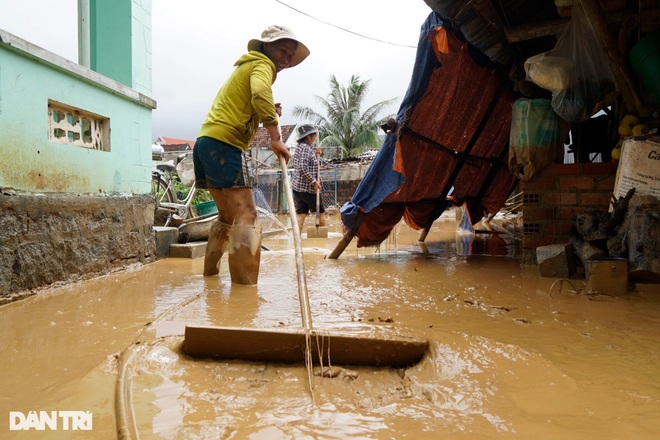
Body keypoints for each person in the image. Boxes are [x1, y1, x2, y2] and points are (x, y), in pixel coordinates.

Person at [193, 25, 310, 284]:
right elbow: (259, 93)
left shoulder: (248, 66)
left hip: (205, 143)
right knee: (247, 216)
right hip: (225, 144)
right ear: (266, 47)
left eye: (290, 56)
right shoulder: (262, 65)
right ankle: (244, 294)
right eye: (282, 50)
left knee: (226, 218)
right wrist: (276, 138)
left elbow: (248, 102)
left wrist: (264, 112)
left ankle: (209, 277)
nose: (286, 59)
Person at [292, 124, 326, 233]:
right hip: (309, 189)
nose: (315, 137)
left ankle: (296, 239)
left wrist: (316, 155)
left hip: (298, 188)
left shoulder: (300, 148)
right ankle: (322, 239)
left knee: (301, 214)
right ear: (308, 136)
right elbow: (302, 168)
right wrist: (314, 182)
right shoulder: (306, 149)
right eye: (314, 135)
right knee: (320, 212)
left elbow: (309, 164)